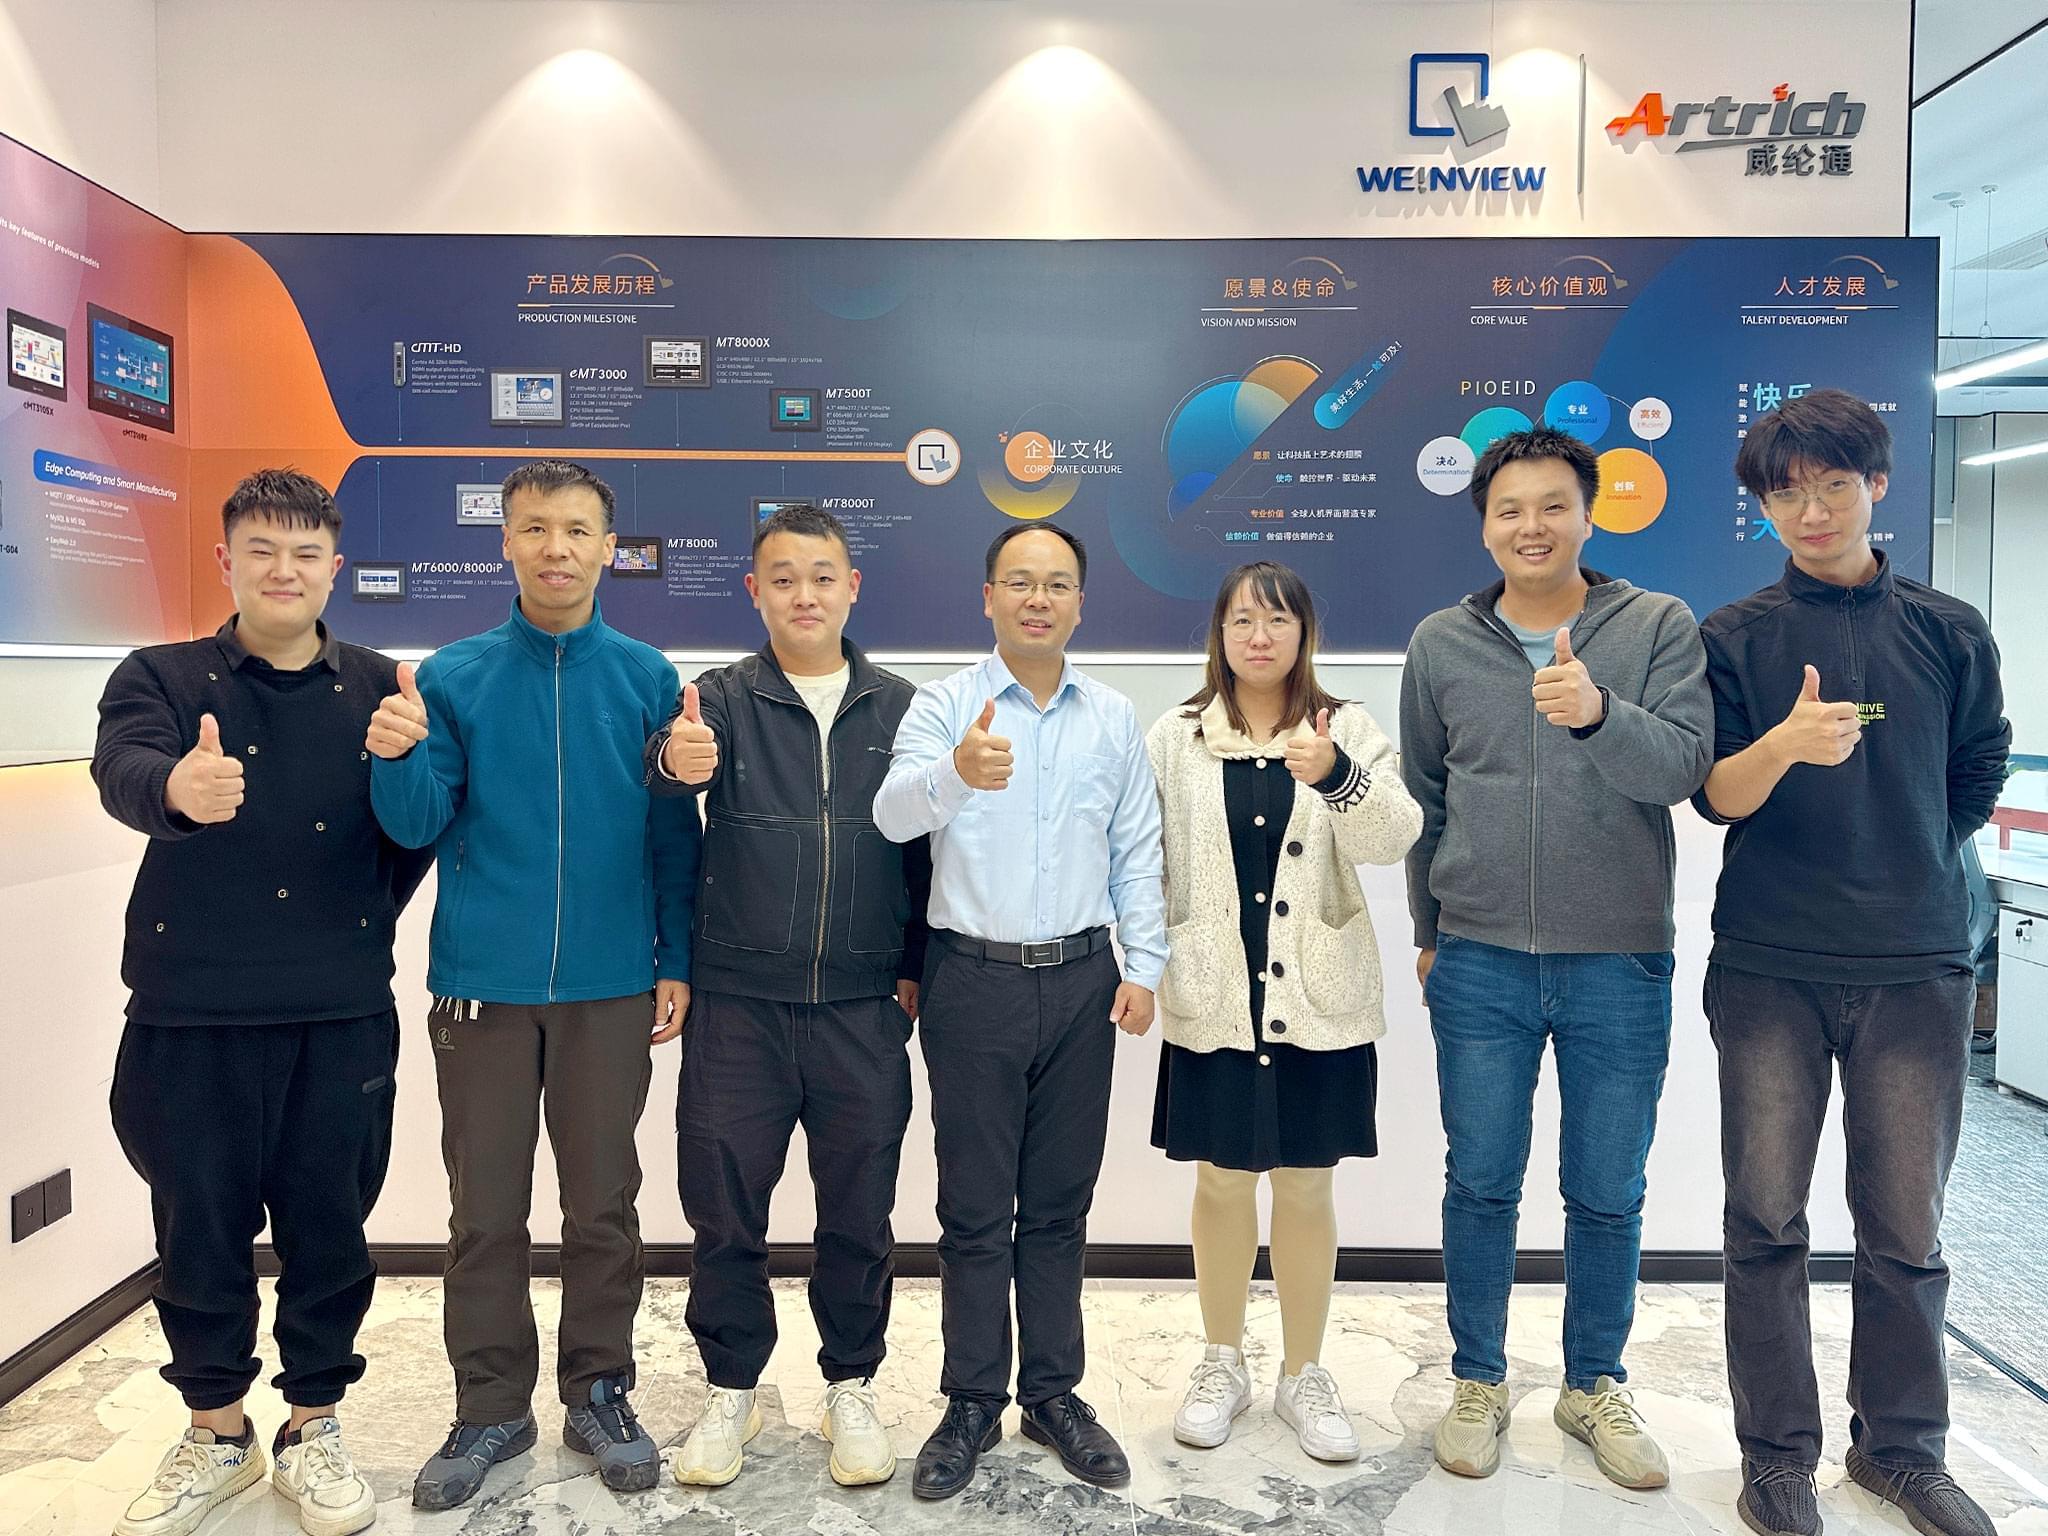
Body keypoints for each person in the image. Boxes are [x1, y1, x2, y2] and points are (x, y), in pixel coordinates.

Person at [93, 469, 431, 1536]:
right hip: (189, 1011)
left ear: (335, 567)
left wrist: (363, 902)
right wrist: (175, 791)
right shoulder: (159, 675)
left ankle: (314, 1425)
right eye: (262, 550)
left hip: (339, 1010)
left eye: (305, 552)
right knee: (198, 1227)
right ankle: (217, 1434)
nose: (284, 570)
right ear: (226, 561)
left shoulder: (381, 687)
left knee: (332, 1229)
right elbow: (121, 767)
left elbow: (414, 832)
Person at [1695, 389, 2008, 1536]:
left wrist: (1909, 849)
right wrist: (1781, 746)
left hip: (1915, 966)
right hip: (1768, 965)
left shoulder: (1948, 629)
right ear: (1762, 506)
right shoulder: (1733, 636)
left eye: (1833, 485)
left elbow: (1975, 770)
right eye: (1786, 493)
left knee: (1904, 1232)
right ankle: (1774, 1456)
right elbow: (1713, 795)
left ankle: (1899, 1453)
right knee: (1763, 1221)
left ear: (1875, 485)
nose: (1811, 510)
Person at [367, 459, 701, 1510]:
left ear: (609, 548)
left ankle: (599, 1390)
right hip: (483, 987)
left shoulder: (647, 679)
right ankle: (490, 1407)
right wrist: (394, 755)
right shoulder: (453, 676)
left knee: (603, 1205)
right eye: (535, 528)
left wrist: (675, 960)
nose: (557, 547)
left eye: (577, 529)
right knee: (484, 1212)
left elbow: (671, 838)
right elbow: (416, 825)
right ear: (505, 541)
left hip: (612, 985)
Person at [1400, 426, 1712, 1490]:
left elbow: (1682, 768)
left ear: (1587, 514)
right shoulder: (1441, 641)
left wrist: (1598, 714)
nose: (1529, 527)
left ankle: (1592, 1383)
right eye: (1509, 510)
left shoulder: (1656, 625)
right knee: (1480, 1182)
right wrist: (1429, 934)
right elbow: (1426, 799)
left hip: (1617, 959)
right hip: (1478, 958)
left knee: (1606, 1190)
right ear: (1484, 525)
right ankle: (1477, 1380)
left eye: (1551, 507)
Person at [873, 522, 1165, 1501]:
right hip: (973, 981)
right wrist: (955, 773)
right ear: (988, 597)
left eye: (1057, 584)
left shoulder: (1111, 717)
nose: (1038, 599)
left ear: (1080, 602)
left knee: (1057, 1206)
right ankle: (970, 1400)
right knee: (971, 1209)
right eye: (1020, 582)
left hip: (1083, 981)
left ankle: (1051, 1394)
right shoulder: (944, 705)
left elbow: (1135, 846)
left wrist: (1144, 964)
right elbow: (891, 815)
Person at [645, 505, 931, 1490]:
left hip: (861, 1005)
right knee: (724, 1210)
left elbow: (927, 848)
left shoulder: (902, 708)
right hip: (738, 1006)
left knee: (860, 1211)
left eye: (821, 576)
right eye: (782, 578)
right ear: (754, 592)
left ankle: (850, 1381)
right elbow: (664, 781)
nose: (803, 595)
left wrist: (914, 968)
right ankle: (732, 1386)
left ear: (852, 587)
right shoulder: (718, 700)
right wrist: (671, 762)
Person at [1146, 561, 1420, 1463]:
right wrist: (1139, 966)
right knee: (1222, 1180)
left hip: (1317, 997)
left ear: (1305, 633)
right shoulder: (1177, 737)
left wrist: (1337, 774)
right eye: (1240, 621)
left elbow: (1393, 838)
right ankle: (1221, 1361)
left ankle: (1304, 1372)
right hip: (1216, 992)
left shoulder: (1348, 727)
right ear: (1218, 635)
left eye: (1276, 620)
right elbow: (1141, 861)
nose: (1258, 637)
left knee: (1306, 1183)